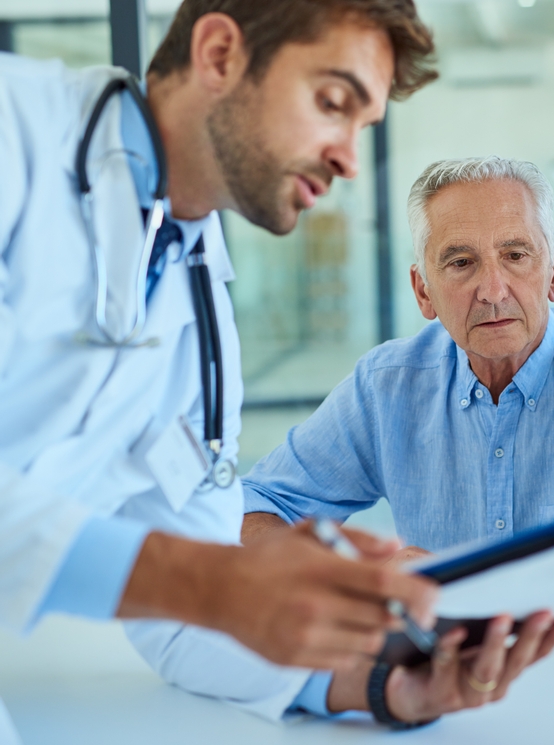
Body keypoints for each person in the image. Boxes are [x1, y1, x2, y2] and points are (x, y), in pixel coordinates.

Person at [133, 155, 554, 724]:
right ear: (423, 291)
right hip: (440, 692)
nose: (492, 288)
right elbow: (257, 503)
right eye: (460, 263)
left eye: (516, 256)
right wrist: (353, 570)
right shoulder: (388, 385)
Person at [0, 0, 442, 698]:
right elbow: (202, 587)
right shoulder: (13, 129)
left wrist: (380, 682)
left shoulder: (199, 316)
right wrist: (211, 581)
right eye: (333, 102)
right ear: (218, 55)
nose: (350, 160)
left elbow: (187, 624)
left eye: (365, 128)